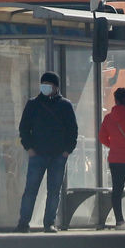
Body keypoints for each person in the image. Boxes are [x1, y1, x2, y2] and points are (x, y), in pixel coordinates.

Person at [15, 71, 78, 233]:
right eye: (43, 84)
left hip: (58, 156)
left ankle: (49, 223)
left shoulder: (65, 105)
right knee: (30, 190)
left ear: (56, 87)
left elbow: (73, 130)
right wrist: (29, 148)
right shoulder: (33, 104)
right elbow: (24, 128)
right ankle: (23, 223)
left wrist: (67, 151)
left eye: (49, 85)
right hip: (37, 154)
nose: (45, 87)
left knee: (54, 192)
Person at [98, 86, 125, 229]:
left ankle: (119, 221)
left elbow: (102, 137)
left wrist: (114, 145)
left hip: (115, 160)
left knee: (117, 190)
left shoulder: (108, 118)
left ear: (115, 100)